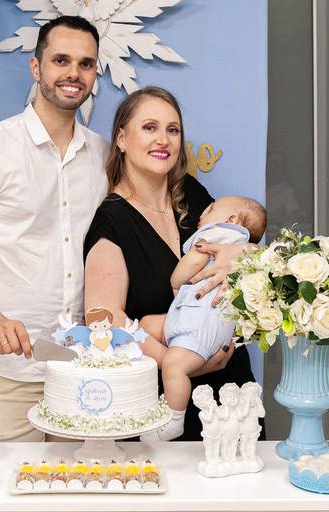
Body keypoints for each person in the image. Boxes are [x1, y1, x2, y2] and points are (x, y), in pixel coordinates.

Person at [0, 16, 108, 442]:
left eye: (85, 64)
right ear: (35, 67)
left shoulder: (104, 155)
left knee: (84, 481)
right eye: (61, 60)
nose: (73, 73)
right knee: (3, 483)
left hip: (83, 372)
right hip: (5, 372)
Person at [83, 86, 262, 441]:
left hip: (229, 396)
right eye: (149, 127)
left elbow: (246, 242)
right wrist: (175, 363)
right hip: (163, 404)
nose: (162, 139)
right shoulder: (112, 222)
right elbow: (103, 318)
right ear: (121, 138)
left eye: (173, 129)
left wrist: (244, 254)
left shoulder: (194, 195)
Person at [139, 195, 266, 441]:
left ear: (231, 219)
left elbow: (194, 261)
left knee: (174, 366)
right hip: (198, 318)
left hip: (200, 324)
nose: (202, 213)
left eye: (211, 208)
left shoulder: (216, 234)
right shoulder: (239, 245)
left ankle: (173, 419)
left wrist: (175, 282)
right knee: (146, 325)